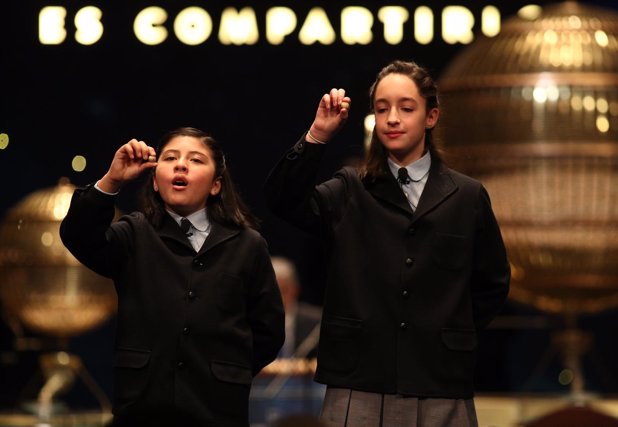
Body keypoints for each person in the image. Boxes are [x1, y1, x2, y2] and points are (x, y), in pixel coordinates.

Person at [264, 60, 510, 427]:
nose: (392, 118)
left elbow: (492, 282)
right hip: (359, 378)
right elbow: (282, 200)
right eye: (382, 109)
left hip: (439, 378)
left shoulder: (467, 196)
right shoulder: (351, 188)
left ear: (431, 116)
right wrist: (317, 135)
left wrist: (447, 330)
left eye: (406, 108)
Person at [60, 127, 285, 427]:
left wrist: (227, 371)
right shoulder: (135, 233)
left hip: (217, 411)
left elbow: (268, 331)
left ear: (216, 185)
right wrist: (112, 180)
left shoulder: (248, 244)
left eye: (195, 160)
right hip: (143, 406)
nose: (181, 165)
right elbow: (78, 236)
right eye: (170, 158)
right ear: (155, 180)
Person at [271, 256, 322, 359]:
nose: (276, 299)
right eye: (271, 293)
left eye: (282, 291)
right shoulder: (250, 322)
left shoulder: (316, 324)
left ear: (294, 289)